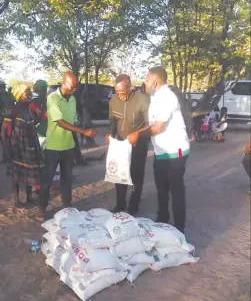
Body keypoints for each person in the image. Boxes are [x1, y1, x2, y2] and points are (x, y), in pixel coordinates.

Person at [37, 71, 97, 221]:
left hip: (68, 146)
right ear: (64, 82)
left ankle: (67, 205)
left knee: (67, 178)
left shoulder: (73, 99)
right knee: (47, 179)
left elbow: (72, 121)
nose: (74, 89)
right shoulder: (53, 98)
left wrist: (82, 127)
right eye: (72, 86)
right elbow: (60, 122)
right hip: (53, 147)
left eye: (76, 86)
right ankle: (42, 208)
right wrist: (83, 131)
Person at [139, 66, 190, 234]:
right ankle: (162, 219)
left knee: (175, 189)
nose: (144, 82)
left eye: (146, 79)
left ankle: (179, 228)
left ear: (155, 80)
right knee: (161, 187)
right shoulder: (156, 97)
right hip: (161, 152)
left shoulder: (167, 96)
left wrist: (136, 135)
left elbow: (158, 127)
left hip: (175, 151)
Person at [105, 74, 150, 215]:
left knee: (136, 176)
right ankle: (120, 204)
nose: (120, 95)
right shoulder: (113, 101)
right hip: (120, 143)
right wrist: (110, 134)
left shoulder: (142, 100)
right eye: (117, 92)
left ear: (130, 87)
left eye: (123, 92)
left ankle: (133, 205)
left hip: (138, 144)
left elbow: (150, 125)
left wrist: (138, 134)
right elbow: (113, 121)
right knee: (120, 174)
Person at [1, 84, 45, 207]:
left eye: (30, 93)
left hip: (30, 146)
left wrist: (40, 114)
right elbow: (3, 132)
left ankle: (29, 198)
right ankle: (17, 200)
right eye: (27, 94)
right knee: (16, 175)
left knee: (29, 174)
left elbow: (36, 122)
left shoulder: (30, 110)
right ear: (20, 96)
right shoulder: (12, 110)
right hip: (17, 147)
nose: (30, 95)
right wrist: (7, 148)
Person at [0, 81, 15, 161]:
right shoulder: (1, 95)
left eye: (3, 86)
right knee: (8, 138)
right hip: (6, 119)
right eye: (2, 86)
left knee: (5, 139)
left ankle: (7, 156)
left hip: (3, 119)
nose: (2, 88)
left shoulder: (0, 95)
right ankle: (8, 156)